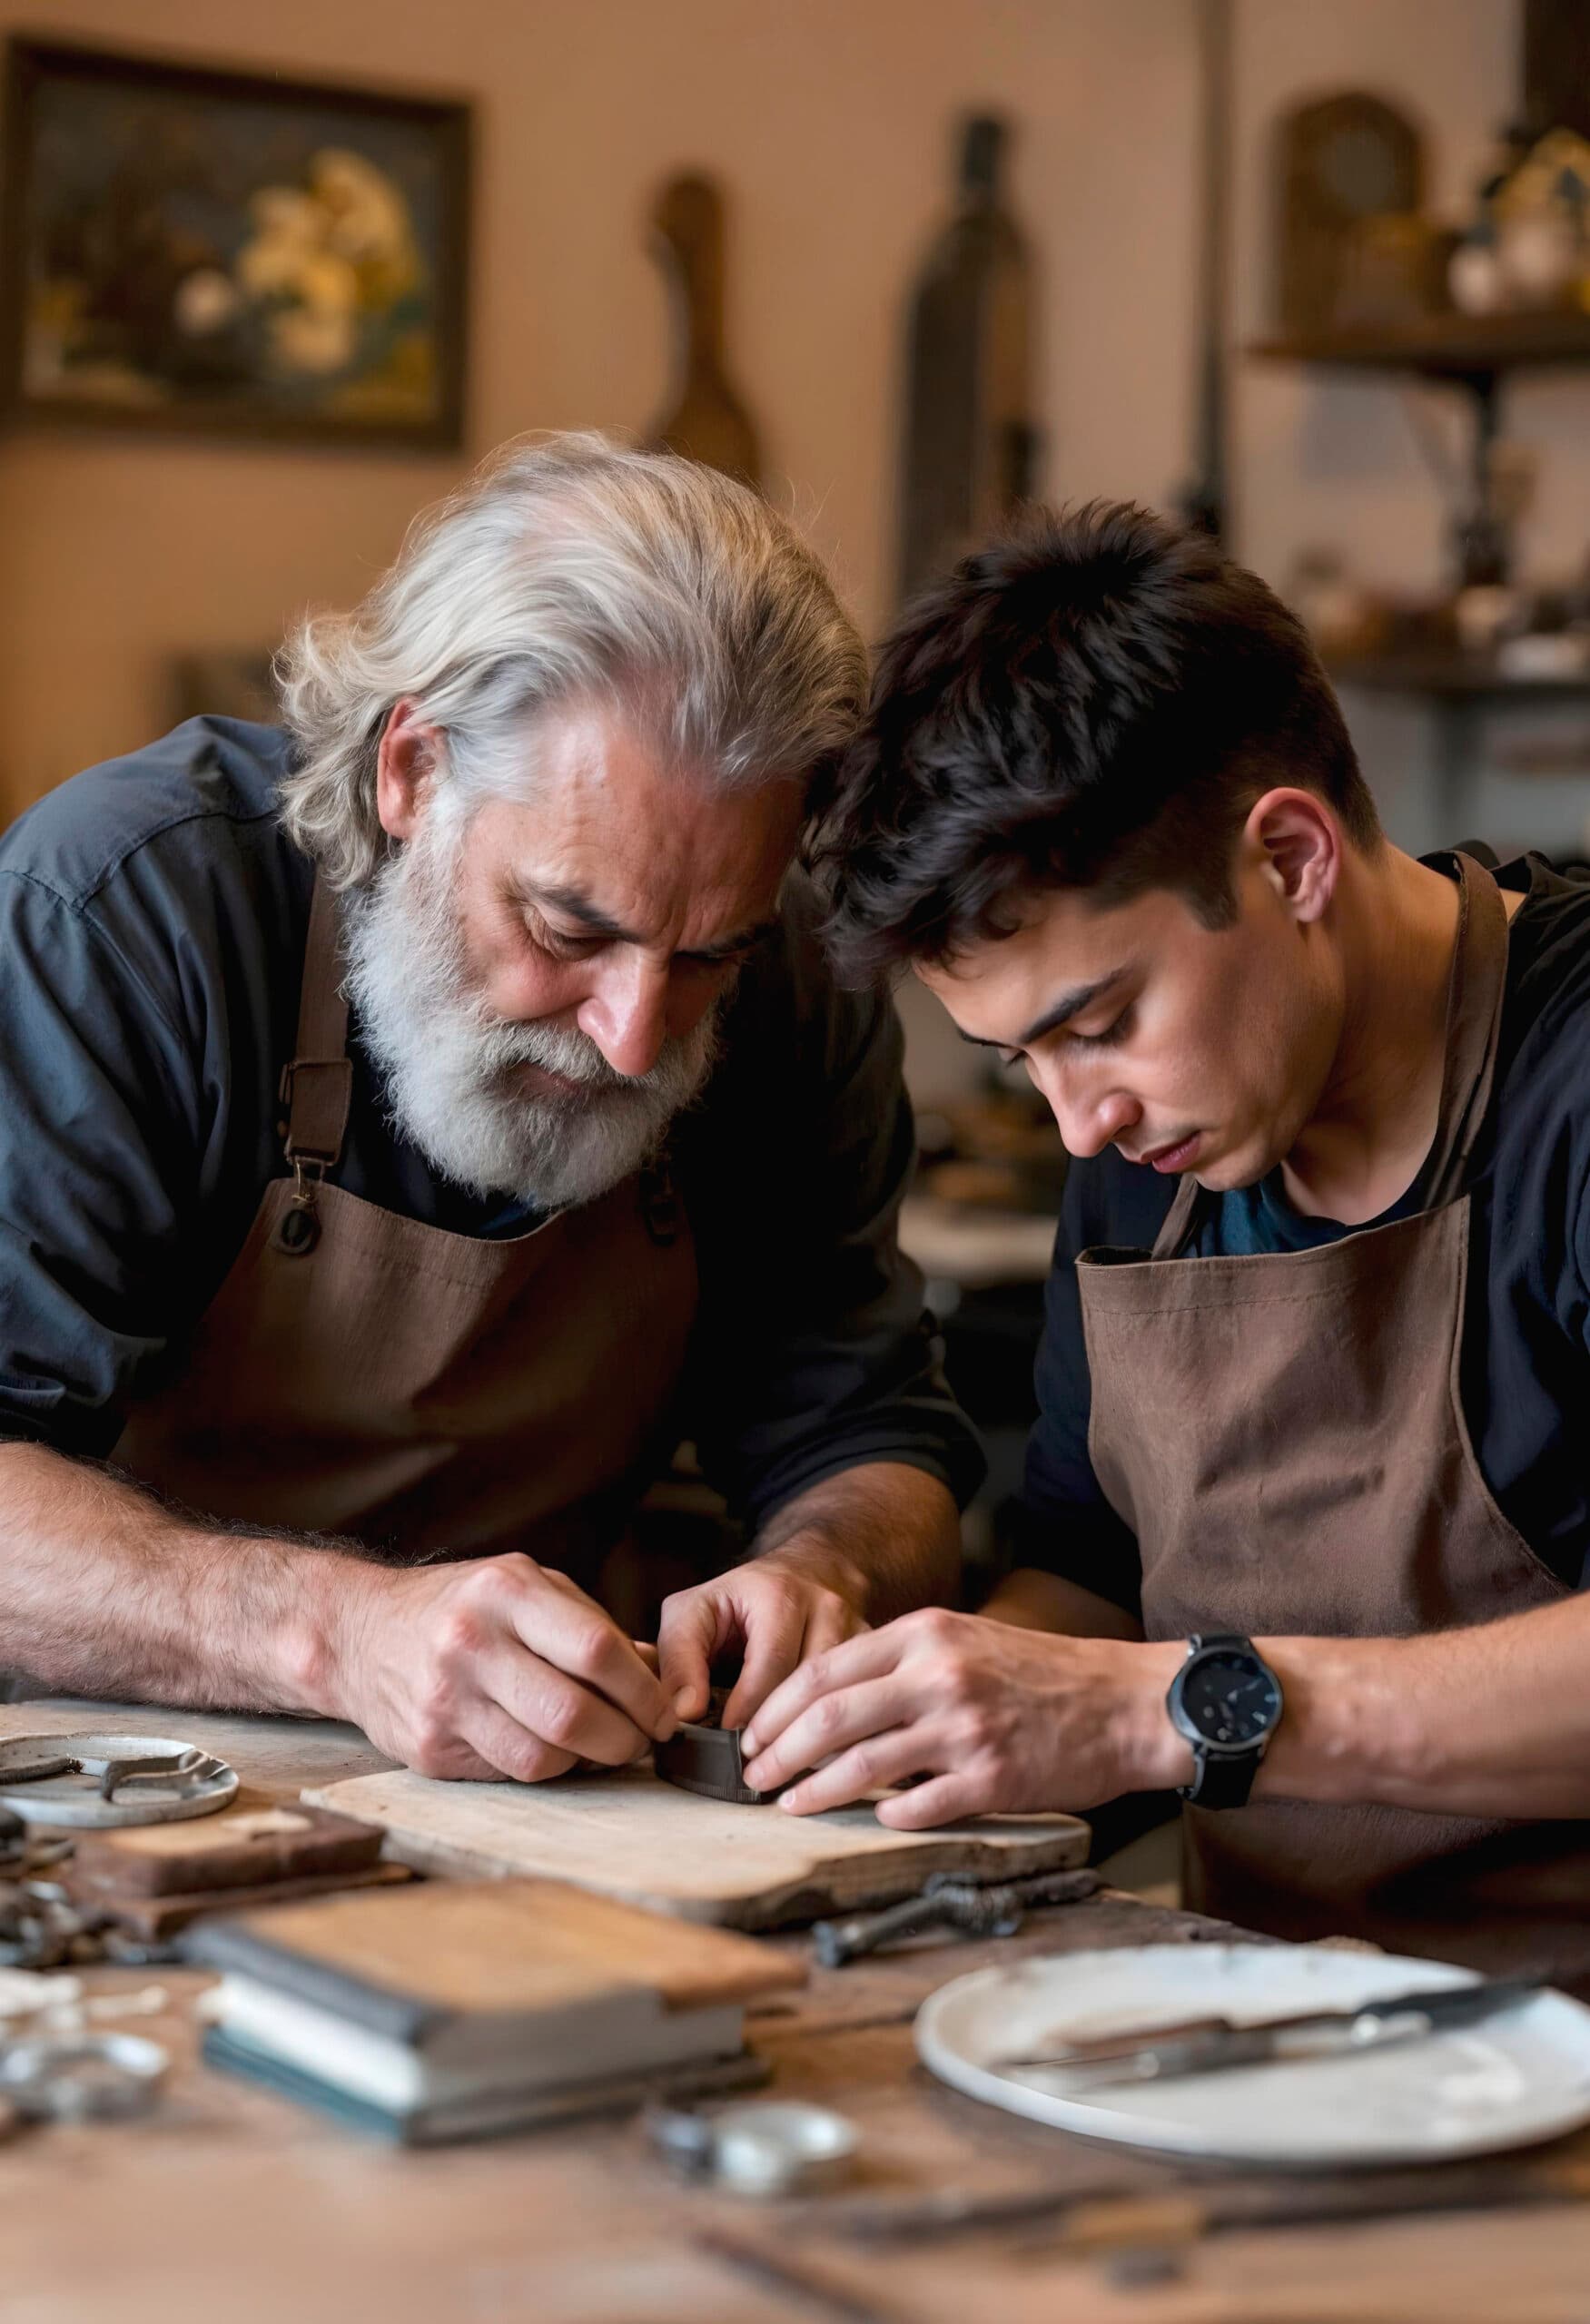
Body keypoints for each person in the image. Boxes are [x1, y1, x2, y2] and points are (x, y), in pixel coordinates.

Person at [0, 433, 981, 1783]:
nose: (634, 1033)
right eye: (569, 926)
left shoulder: (798, 984)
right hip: (108, 1777)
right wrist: (335, 1636)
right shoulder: (126, 917)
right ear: (411, 773)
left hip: (553, 1788)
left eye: (706, 956)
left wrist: (827, 1568)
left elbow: (870, 1435)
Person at [740, 498, 1590, 1983]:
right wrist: (910, 1716)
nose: (1078, 1124)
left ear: (1294, 860)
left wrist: (1163, 1712)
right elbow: (1092, 1576)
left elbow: (1136, 1684)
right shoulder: (1153, 1151)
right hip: (1273, 2022)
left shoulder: (1574, 1084)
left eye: (1101, 1023)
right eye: (1024, 1062)